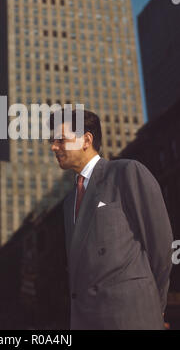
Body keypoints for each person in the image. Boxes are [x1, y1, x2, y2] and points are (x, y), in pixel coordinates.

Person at [49, 108, 173, 330]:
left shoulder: (126, 172)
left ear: (86, 140)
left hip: (131, 317)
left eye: (60, 139)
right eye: (52, 140)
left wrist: (155, 306)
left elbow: (161, 246)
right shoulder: (69, 202)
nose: (53, 147)